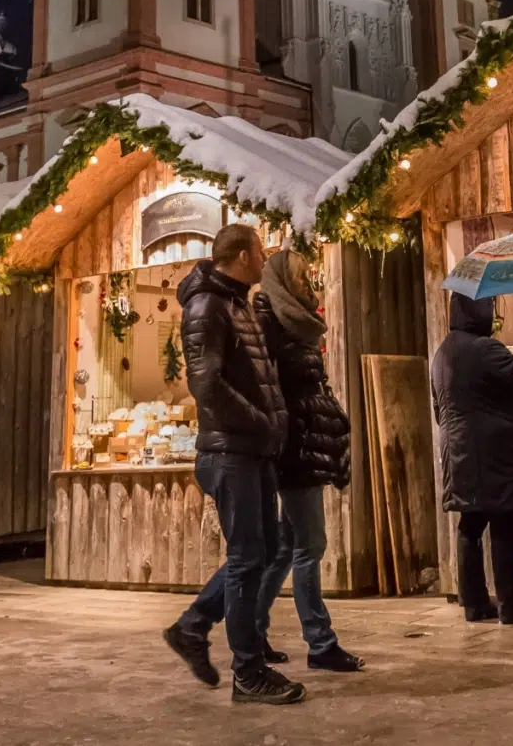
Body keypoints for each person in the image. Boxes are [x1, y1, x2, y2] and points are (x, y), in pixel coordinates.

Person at [173, 248, 364, 675]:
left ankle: (244, 638)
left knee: (272, 550)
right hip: (279, 448)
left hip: (283, 443)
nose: (308, 282)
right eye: (300, 276)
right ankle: (314, 642)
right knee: (300, 548)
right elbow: (216, 382)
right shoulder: (258, 319)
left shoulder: (285, 321)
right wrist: (265, 423)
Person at [162, 225, 303, 706]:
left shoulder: (238, 302)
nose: (265, 260)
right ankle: (248, 672)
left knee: (260, 554)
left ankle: (193, 626)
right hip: (230, 451)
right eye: (260, 252)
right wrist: (262, 421)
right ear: (242, 255)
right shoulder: (206, 306)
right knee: (248, 559)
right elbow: (207, 385)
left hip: (252, 449)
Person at [431, 291, 513, 624]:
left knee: (470, 526)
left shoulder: (443, 352)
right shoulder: (485, 349)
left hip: (458, 452)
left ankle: (474, 603)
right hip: (497, 453)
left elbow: (439, 408)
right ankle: (511, 606)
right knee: (506, 526)